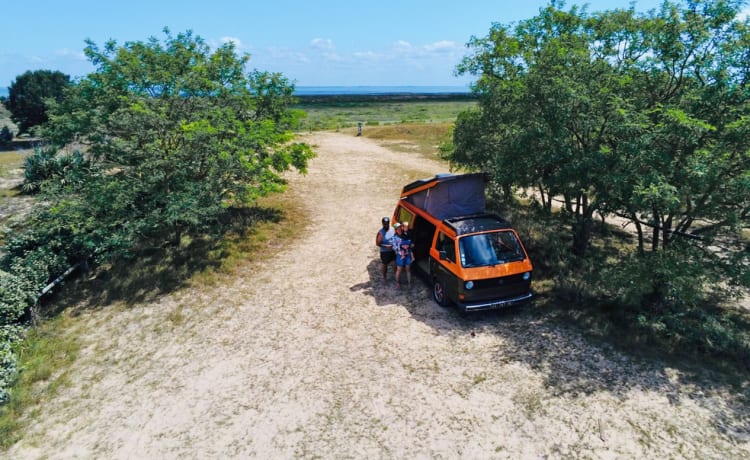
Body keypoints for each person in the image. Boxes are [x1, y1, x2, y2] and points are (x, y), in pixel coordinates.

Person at [393, 221, 413, 288]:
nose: (399, 229)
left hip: (407, 254)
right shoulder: (394, 237)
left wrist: (409, 245)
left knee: (408, 269)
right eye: (398, 228)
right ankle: (397, 282)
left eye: (400, 227)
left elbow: (410, 241)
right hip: (399, 255)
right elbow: (394, 247)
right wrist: (401, 246)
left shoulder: (405, 234)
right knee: (399, 269)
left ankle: (409, 283)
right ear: (396, 230)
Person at [375, 217, 395, 281]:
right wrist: (385, 246)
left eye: (387, 223)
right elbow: (378, 243)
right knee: (385, 264)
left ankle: (396, 276)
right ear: (382, 224)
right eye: (385, 224)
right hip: (385, 251)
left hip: (393, 250)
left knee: (395, 263)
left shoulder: (392, 229)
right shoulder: (381, 233)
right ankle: (384, 277)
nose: (386, 225)